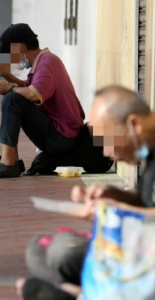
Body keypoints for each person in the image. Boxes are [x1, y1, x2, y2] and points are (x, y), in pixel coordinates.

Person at [17, 85, 155, 300]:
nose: (107, 152)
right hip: (138, 248)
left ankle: (83, 294)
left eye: (107, 140)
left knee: (62, 253)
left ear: (134, 124)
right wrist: (116, 195)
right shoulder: (149, 152)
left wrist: (117, 212)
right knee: (38, 250)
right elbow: (147, 201)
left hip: (147, 255)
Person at [0, 23, 85, 178]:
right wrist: (8, 77)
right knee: (13, 97)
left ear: (20, 48)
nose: (12, 59)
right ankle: (11, 160)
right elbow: (28, 88)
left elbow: (34, 94)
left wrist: (9, 88)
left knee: (12, 99)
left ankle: (8, 163)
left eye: (11, 53)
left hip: (62, 137)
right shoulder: (44, 61)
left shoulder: (46, 63)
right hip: (63, 135)